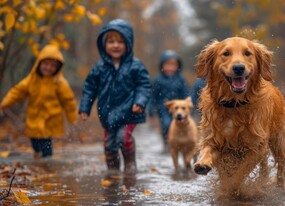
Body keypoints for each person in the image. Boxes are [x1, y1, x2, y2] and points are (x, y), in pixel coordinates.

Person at [79, 19, 151, 173]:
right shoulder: (99, 67)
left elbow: (144, 85)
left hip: (129, 111)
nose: (116, 45)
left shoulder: (135, 65)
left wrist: (140, 101)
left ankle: (130, 164)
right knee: (109, 143)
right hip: (107, 112)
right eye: (111, 41)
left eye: (120, 42)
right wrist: (85, 107)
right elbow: (90, 88)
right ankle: (113, 170)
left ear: (128, 44)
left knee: (123, 138)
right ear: (104, 44)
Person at [0, 44, 78, 159]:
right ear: (39, 63)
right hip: (34, 119)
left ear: (57, 68)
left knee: (47, 145)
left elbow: (68, 101)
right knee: (35, 143)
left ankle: (47, 163)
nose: (48, 68)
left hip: (51, 120)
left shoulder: (60, 83)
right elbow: (17, 92)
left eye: (52, 65)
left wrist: (72, 118)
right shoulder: (31, 80)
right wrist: (4, 104)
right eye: (46, 64)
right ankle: (38, 155)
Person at [148, 50, 189, 151]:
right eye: (167, 65)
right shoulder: (158, 80)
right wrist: (151, 107)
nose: (170, 68)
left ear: (178, 66)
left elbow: (185, 93)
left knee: (178, 125)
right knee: (166, 124)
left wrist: (187, 106)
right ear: (162, 66)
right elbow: (153, 95)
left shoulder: (180, 79)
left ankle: (178, 143)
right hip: (163, 108)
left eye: (173, 65)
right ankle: (167, 142)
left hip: (178, 108)